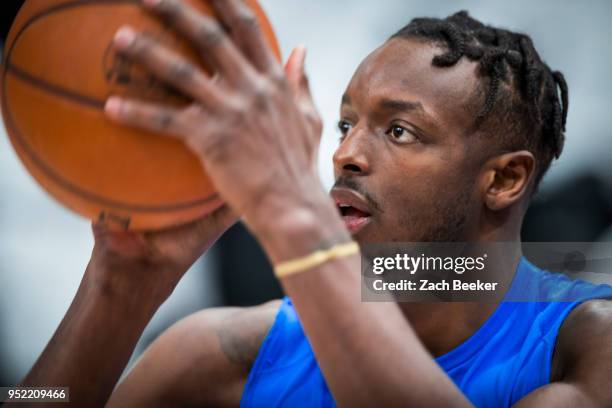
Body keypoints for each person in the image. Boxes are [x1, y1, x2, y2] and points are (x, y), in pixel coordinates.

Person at [12, 0, 612, 407]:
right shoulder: (226, 350)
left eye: (399, 131)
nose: (345, 154)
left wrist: (292, 214)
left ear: (504, 179)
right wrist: (118, 291)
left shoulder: (586, 344)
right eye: (344, 124)